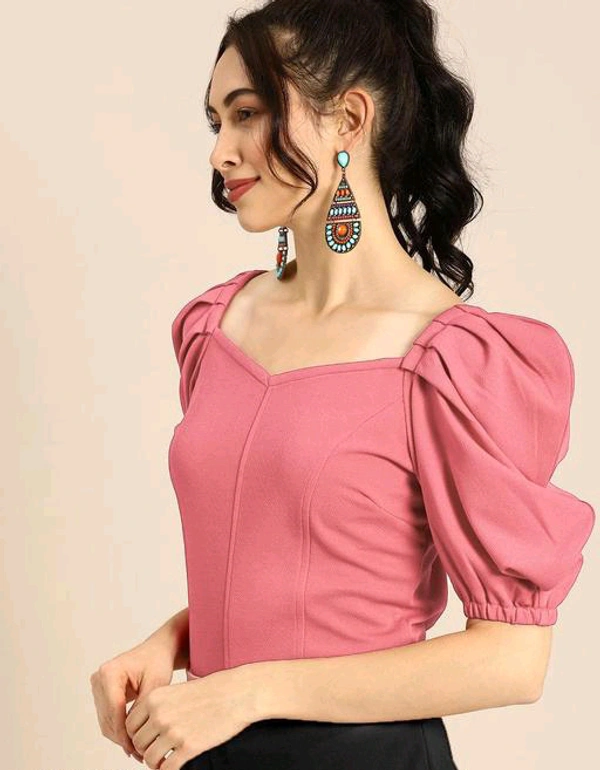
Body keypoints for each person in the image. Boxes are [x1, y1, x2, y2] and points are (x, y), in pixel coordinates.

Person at [90, 1, 596, 768]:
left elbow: (513, 659)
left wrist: (247, 693)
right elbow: (303, 581)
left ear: (349, 120)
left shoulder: (451, 361)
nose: (221, 152)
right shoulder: (214, 329)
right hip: (206, 749)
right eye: (215, 123)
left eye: (247, 114)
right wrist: (172, 642)